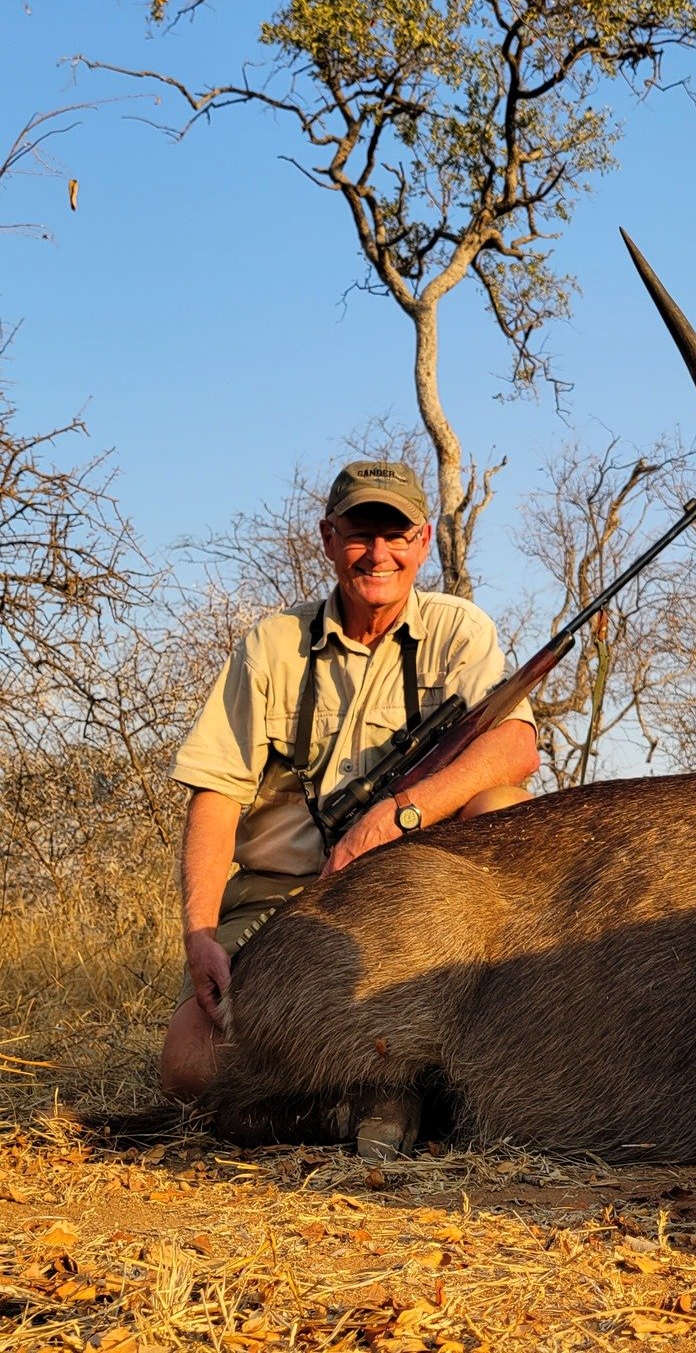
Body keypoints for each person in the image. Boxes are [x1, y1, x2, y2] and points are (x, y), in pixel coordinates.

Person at [160, 460, 539, 1101]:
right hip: (283, 901)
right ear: (328, 538)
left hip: (418, 898)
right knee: (189, 1069)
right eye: (360, 533)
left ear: (423, 541)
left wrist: (401, 814)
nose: (378, 554)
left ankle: (503, 1034)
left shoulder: (459, 630)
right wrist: (199, 933)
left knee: (504, 805)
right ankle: (380, 1095)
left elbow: (516, 747)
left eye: (396, 535)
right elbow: (216, 791)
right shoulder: (274, 643)